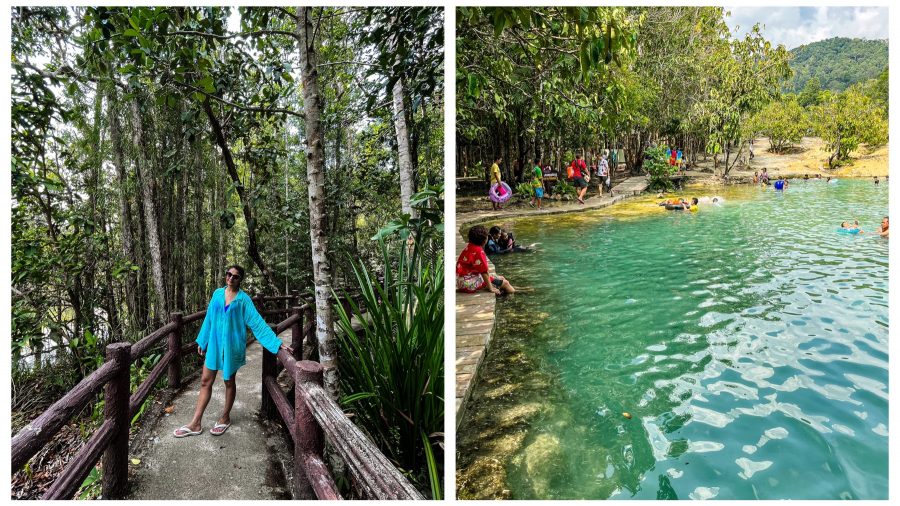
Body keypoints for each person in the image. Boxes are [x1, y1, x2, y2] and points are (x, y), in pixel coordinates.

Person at [174, 265, 291, 438]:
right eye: (229, 274)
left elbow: (257, 323)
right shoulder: (217, 294)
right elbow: (209, 318)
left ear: (240, 280)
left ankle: (225, 417)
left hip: (232, 346)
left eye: (235, 276)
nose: (231, 278)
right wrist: (203, 340)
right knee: (206, 381)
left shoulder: (244, 300)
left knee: (229, 381)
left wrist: (276, 343)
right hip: (214, 343)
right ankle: (195, 423)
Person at [457, 225, 514, 294]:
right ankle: (514, 294)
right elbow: (484, 272)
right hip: (468, 283)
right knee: (505, 283)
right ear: (484, 240)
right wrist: (491, 288)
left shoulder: (470, 246)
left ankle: (515, 289)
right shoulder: (478, 251)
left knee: (501, 278)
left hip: (462, 281)